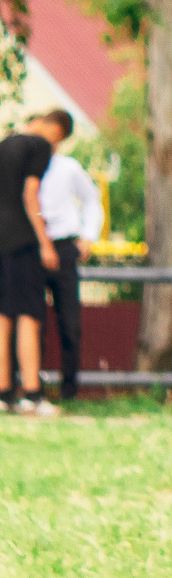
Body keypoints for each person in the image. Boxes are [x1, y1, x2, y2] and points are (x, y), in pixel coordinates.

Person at [30, 110, 100, 401]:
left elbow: (91, 199)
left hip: (63, 246)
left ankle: (69, 389)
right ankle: (33, 386)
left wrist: (89, 235)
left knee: (69, 322)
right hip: (31, 248)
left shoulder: (68, 168)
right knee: (33, 322)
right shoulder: (24, 170)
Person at [0, 112, 56, 415]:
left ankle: (4, 393)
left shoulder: (4, 145)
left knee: (2, 318)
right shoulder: (40, 145)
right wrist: (45, 243)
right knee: (28, 317)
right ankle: (32, 394)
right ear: (56, 131)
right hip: (22, 241)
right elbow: (30, 193)